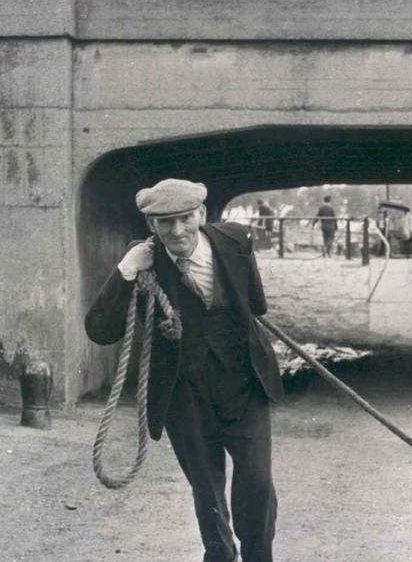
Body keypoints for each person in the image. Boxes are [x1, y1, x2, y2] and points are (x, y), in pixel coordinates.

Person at [85, 179, 283, 562]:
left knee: (257, 483)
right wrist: (126, 269)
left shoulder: (236, 241)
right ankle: (220, 556)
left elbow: (256, 306)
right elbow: (100, 330)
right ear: (152, 225)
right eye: (165, 222)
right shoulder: (143, 261)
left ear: (202, 215)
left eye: (185, 218)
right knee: (207, 491)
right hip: (185, 395)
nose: (177, 230)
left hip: (244, 385)